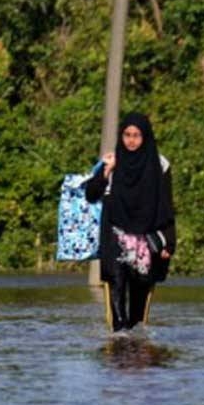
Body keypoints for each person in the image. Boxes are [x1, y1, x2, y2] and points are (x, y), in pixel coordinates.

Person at [85, 112, 176, 332]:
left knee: (138, 308)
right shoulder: (111, 161)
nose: (131, 140)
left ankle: (139, 356)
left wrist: (169, 242)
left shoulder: (160, 165)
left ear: (145, 137)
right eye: (127, 135)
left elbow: (166, 205)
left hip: (147, 239)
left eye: (137, 135)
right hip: (115, 237)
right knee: (116, 301)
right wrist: (106, 171)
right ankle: (116, 354)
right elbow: (91, 194)